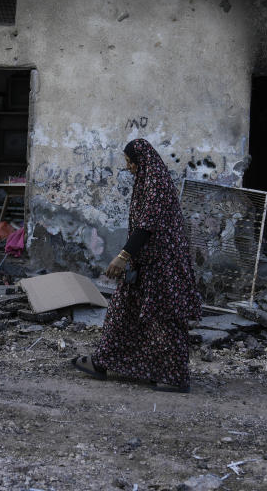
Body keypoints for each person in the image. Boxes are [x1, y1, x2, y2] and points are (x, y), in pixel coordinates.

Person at [71, 138, 201, 393]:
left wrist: (123, 256)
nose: (129, 167)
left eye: (131, 162)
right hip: (146, 263)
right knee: (123, 312)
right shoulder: (147, 180)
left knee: (165, 319)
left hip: (163, 265)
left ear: (143, 162)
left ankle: (174, 377)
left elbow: (147, 225)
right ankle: (103, 361)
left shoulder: (156, 183)